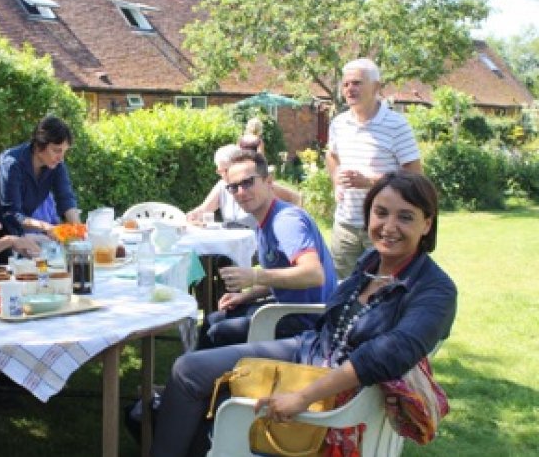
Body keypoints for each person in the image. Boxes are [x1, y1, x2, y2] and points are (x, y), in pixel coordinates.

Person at [151, 171, 457, 457]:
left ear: (427, 224)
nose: (389, 227)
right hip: (309, 350)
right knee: (188, 370)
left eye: (405, 217)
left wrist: (303, 396)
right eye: (381, 213)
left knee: (214, 407)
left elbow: (390, 353)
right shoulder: (372, 261)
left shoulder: (435, 290)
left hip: (342, 394)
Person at [196, 150, 336, 350]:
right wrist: (246, 296)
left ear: (269, 181)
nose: (241, 192)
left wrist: (254, 275)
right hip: (287, 310)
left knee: (217, 332)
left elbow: (314, 274)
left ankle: (207, 377)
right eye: (234, 187)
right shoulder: (264, 220)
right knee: (212, 320)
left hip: (309, 321)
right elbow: (282, 276)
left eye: (248, 182)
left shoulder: (285, 221)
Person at [327, 58, 422, 279]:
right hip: (345, 224)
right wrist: (335, 182)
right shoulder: (339, 124)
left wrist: (370, 182)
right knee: (342, 288)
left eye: (357, 83)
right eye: (346, 84)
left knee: (382, 288)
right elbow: (331, 155)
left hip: (383, 228)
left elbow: (415, 177)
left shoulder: (396, 125)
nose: (350, 89)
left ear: (376, 87)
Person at [0, 116, 81, 239]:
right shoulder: (13, 164)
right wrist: (47, 227)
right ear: (39, 145)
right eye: (57, 151)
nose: (61, 158)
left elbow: (65, 198)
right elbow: (12, 214)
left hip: (21, 235)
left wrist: (78, 230)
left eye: (64, 152)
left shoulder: (56, 165)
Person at [186, 144, 257, 229]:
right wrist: (190, 217)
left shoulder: (254, 184)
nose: (223, 175)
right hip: (231, 238)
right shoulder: (222, 185)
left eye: (226, 170)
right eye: (220, 171)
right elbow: (204, 210)